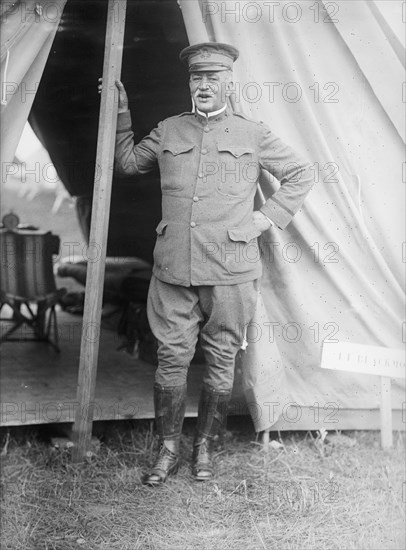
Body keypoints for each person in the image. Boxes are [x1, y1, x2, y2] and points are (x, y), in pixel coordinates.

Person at [112, 42, 314, 485]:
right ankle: (167, 450)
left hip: (231, 270)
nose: (204, 86)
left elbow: (302, 172)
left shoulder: (253, 133)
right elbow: (127, 164)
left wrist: (265, 218)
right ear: (189, 83)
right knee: (171, 359)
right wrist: (121, 115)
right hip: (173, 270)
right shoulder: (169, 130)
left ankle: (204, 449)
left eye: (213, 78)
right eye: (197, 78)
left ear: (229, 82)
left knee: (222, 360)